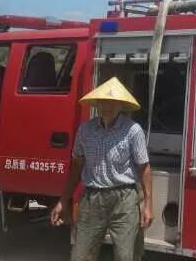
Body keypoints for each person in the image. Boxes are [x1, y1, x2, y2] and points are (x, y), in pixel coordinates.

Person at [51, 77, 153, 261]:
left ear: (121, 105)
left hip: (125, 200)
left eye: (113, 102)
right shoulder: (85, 130)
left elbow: (144, 168)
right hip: (92, 200)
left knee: (126, 256)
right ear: (96, 104)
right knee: (81, 255)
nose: (107, 106)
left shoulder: (133, 131)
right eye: (103, 101)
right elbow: (76, 167)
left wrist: (148, 205)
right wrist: (63, 200)